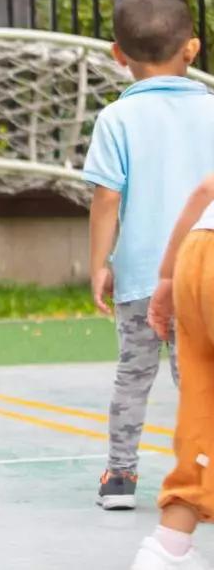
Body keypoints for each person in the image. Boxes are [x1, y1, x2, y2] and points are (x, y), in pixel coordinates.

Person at [83, 0, 214, 509]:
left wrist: (99, 265)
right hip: (203, 269)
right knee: (200, 378)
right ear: (192, 48)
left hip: (141, 275)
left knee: (133, 375)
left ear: (118, 55)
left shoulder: (116, 118)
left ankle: (120, 476)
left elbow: (106, 199)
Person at [131, 173, 214, 570]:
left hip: (197, 252)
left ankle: (169, 546)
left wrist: (165, 277)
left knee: (202, 407)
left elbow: (205, 190)